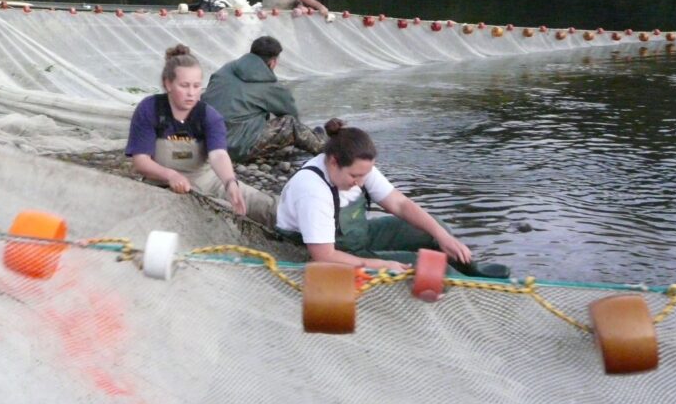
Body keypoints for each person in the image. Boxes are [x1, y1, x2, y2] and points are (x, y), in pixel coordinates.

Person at [276, 119, 508, 276]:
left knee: (437, 230)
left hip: (358, 236)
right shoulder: (313, 191)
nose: (360, 182)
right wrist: (381, 265)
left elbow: (400, 204)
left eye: (365, 175)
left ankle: (473, 272)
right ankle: (465, 287)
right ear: (333, 162)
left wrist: (443, 236)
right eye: (355, 176)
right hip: (328, 251)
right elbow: (323, 256)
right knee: (432, 269)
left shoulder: (358, 167)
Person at [126, 44, 278, 229]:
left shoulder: (209, 115)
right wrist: (170, 175)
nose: (191, 93)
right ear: (168, 84)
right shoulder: (149, 109)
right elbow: (141, 161)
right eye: (184, 86)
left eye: (196, 86)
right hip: (161, 185)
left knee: (266, 208)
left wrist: (230, 182)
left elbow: (218, 155)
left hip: (207, 181)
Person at [201, 35, 326, 162]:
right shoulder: (270, 86)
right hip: (233, 147)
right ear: (272, 63)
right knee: (290, 124)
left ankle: (317, 137)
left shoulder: (225, 69)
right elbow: (293, 116)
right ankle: (324, 148)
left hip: (205, 140)